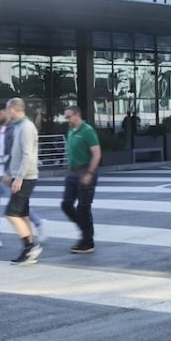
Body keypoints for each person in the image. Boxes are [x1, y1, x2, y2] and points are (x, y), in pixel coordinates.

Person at [0, 103, 45, 249]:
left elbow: (19, 153)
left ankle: (37, 226)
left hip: (9, 175)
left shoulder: (16, 128)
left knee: (17, 207)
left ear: (8, 112)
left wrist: (10, 172)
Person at [3, 97, 42, 265]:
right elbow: (16, 153)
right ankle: (30, 249)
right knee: (22, 214)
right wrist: (8, 172)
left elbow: (28, 155)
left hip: (26, 177)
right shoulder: (19, 126)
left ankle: (30, 247)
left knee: (11, 213)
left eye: (7, 109)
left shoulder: (26, 127)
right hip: (22, 176)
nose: (6, 113)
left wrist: (18, 178)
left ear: (12, 109)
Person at [61, 105, 101, 254]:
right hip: (72, 174)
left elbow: (96, 154)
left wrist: (89, 173)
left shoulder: (87, 131)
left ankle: (88, 241)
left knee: (83, 207)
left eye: (69, 116)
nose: (67, 119)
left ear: (77, 115)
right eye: (66, 117)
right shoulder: (71, 130)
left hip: (86, 172)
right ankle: (85, 231)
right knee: (66, 205)